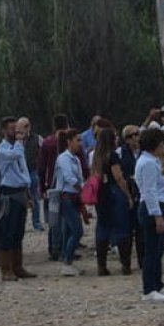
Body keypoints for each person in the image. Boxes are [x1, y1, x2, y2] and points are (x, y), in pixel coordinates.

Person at [135, 127, 164, 303]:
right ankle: (149, 288)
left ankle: (158, 284)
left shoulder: (154, 162)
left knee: (158, 249)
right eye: (162, 145)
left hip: (160, 205)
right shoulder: (148, 163)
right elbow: (150, 191)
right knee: (152, 250)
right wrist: (157, 215)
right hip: (152, 208)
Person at [0, 116, 37, 281]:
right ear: (5, 131)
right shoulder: (1, 150)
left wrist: (28, 194)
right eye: (13, 128)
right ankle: (6, 269)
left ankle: (18, 266)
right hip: (9, 195)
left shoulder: (18, 148)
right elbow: (15, 155)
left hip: (20, 192)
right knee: (8, 232)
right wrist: (20, 140)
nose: (17, 132)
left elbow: (24, 172)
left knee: (19, 232)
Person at [92, 127, 134, 277]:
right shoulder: (113, 156)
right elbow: (118, 177)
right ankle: (125, 264)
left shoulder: (97, 156)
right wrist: (128, 195)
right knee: (122, 228)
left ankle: (101, 265)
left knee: (103, 228)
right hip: (114, 192)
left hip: (101, 193)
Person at [53, 129, 85, 276]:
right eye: (77, 140)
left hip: (74, 197)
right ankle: (67, 260)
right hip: (66, 196)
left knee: (69, 230)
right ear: (69, 141)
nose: (80, 143)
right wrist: (82, 189)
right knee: (77, 230)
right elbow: (69, 177)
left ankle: (68, 260)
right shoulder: (63, 158)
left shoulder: (76, 159)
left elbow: (80, 177)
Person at [39, 114, 69, 260]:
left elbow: (41, 166)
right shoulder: (68, 141)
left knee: (53, 217)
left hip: (51, 183)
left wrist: (41, 186)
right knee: (65, 217)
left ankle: (53, 247)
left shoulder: (47, 142)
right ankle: (63, 247)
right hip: (65, 185)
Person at [118, 125, 143, 274]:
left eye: (137, 134)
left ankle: (142, 261)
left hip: (141, 193)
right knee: (126, 230)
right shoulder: (120, 153)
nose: (136, 138)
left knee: (141, 230)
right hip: (127, 193)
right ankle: (125, 263)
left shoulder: (143, 152)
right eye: (132, 135)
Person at [16, 117, 44, 231]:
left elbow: (44, 152)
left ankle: (36, 222)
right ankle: (20, 223)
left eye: (22, 127)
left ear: (28, 127)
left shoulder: (37, 139)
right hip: (19, 173)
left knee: (35, 198)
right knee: (20, 199)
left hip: (33, 171)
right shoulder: (15, 141)